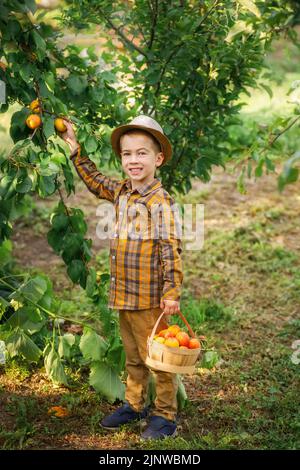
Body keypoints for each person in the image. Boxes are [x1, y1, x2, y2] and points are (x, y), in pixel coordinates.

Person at [58, 115, 183, 439]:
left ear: (158, 159)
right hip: (125, 294)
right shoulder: (123, 191)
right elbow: (96, 181)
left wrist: (171, 290)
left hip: (149, 297)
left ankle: (165, 415)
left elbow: (170, 248)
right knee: (133, 357)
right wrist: (75, 148)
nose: (133, 160)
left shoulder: (160, 202)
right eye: (127, 154)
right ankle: (134, 403)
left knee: (159, 358)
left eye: (142, 153)